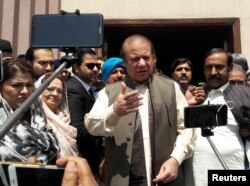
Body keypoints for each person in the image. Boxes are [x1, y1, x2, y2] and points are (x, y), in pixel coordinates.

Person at [85, 34, 195, 186]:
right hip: (123, 178)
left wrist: (176, 159)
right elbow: (91, 126)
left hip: (166, 178)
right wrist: (114, 111)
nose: (142, 63)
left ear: (154, 59)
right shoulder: (109, 91)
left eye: (146, 57)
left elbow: (187, 128)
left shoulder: (171, 88)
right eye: (135, 59)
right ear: (125, 62)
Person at [184, 48, 249, 186]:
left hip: (229, 172)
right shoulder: (195, 97)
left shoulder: (245, 94)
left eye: (219, 67)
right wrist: (186, 105)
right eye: (209, 67)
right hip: (197, 173)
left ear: (229, 68)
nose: (213, 72)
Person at [0, 58, 59, 163]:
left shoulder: (39, 115)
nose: (25, 91)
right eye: (16, 85)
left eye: (29, 85)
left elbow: (51, 147)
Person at [67, 48, 103, 177]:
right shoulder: (73, 88)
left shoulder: (91, 89)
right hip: (81, 160)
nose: (95, 69)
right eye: (90, 65)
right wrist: (105, 126)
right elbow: (77, 129)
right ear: (76, 67)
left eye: (97, 66)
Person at [37, 73, 78, 158]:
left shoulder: (66, 117)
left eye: (59, 91)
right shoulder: (35, 117)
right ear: (38, 90)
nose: (55, 94)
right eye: (49, 89)